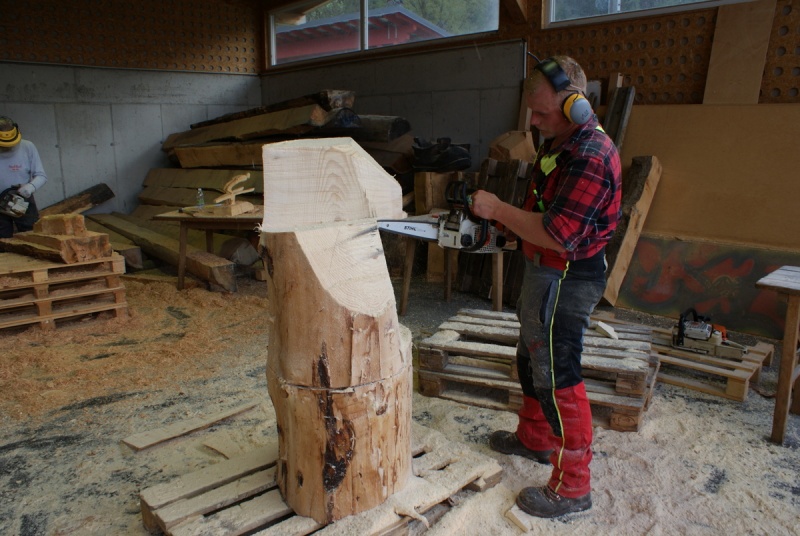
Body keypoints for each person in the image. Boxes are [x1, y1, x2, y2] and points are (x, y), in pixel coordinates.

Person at [469, 55, 622, 518]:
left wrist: (497, 210)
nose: (532, 122)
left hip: (568, 275)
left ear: (575, 104)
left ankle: (573, 486)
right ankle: (534, 438)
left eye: (541, 112)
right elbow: (543, 210)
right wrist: (509, 228)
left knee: (557, 374)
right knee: (530, 356)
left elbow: (559, 233)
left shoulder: (591, 155)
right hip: (544, 270)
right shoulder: (561, 141)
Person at [0, 115, 47, 238]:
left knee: (30, 235)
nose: (7, 147)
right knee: (2, 239)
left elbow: (41, 175)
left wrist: (30, 187)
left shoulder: (27, 147)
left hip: (20, 199)